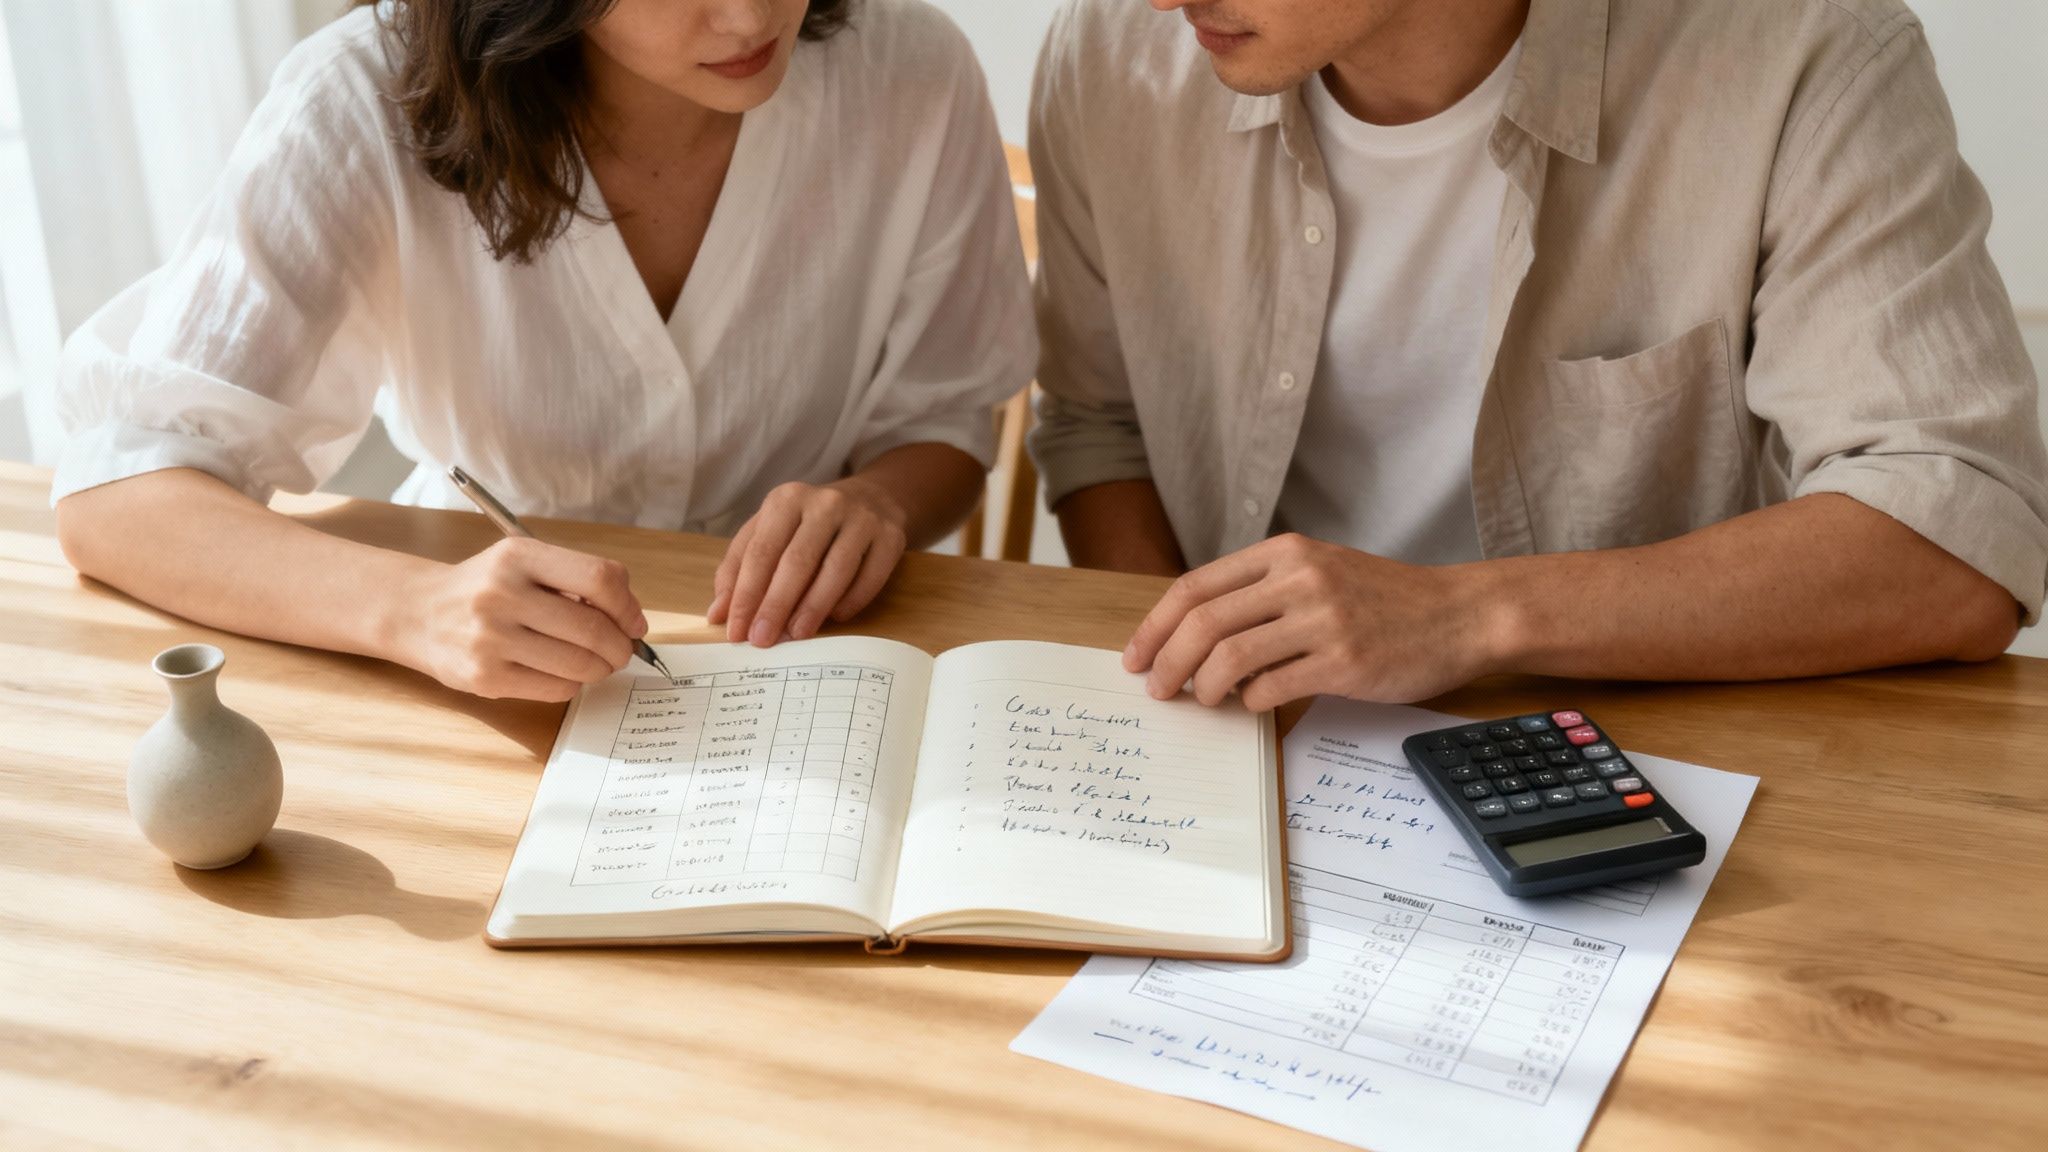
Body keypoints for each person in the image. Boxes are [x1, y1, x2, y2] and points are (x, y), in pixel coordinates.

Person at [1028, 0, 2048, 710]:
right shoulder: (1107, 60)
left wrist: (1461, 620)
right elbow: (1097, 425)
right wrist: (1189, 680)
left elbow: (1954, 536)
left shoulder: (1801, 54)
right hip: (1265, 755)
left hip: (1651, 762)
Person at [52, 0, 1034, 702]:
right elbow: (122, 499)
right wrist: (414, 609)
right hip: (486, 682)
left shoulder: (913, 73)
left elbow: (941, 416)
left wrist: (877, 501)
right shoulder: (361, 98)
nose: (747, 18)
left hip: (813, 669)